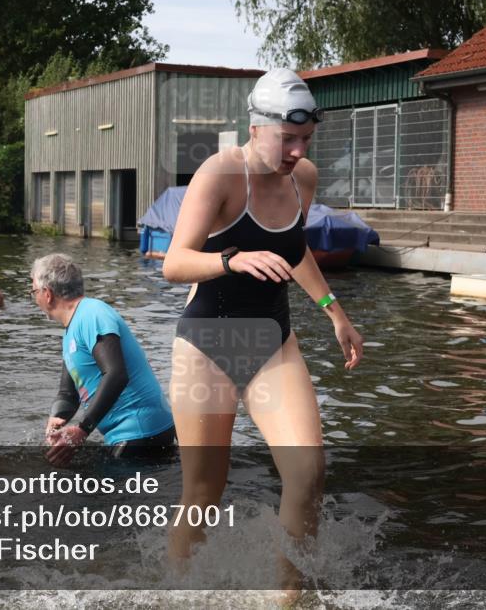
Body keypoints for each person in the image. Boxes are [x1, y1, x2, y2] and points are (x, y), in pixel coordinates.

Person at [161, 69, 364, 589]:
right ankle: (176, 593)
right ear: (256, 128)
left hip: (273, 340)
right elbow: (174, 264)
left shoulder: (303, 178)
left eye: (306, 140)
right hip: (208, 342)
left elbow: (295, 253)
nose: (298, 151)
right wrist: (232, 261)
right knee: (204, 489)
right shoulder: (220, 174)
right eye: (287, 139)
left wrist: (333, 310)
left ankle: (288, 598)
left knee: (307, 475)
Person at [32, 253, 175, 465]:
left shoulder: (92, 314)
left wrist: (82, 430)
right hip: (130, 435)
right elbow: (67, 394)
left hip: (141, 433)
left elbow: (116, 374)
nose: (33, 297)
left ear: (47, 293)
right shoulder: (73, 329)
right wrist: (57, 421)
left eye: (33, 291)